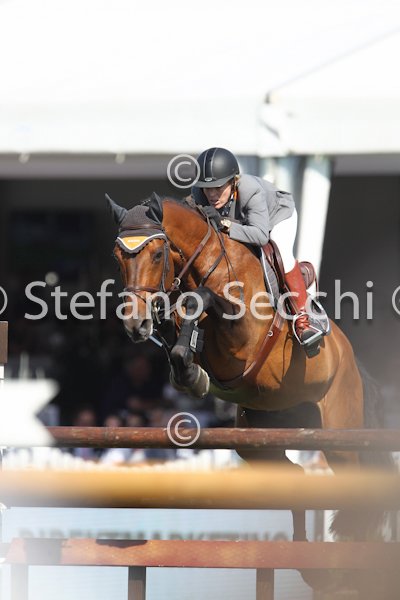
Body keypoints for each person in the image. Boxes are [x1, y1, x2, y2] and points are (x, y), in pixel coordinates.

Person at [191, 147, 327, 351]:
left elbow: (261, 235)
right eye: (207, 188)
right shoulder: (198, 194)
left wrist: (225, 225)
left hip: (277, 216)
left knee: (282, 256)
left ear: (233, 181)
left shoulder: (249, 190)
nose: (212, 194)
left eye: (218, 188)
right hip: (246, 223)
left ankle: (303, 321)